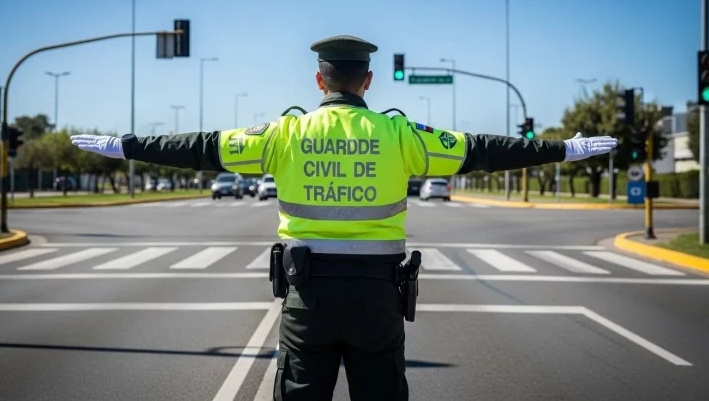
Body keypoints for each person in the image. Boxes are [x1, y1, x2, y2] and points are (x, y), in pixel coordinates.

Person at [71, 34, 617, 400]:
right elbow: (482, 150)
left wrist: (127, 144)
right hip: (378, 298)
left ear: (319, 82)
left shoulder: (284, 134)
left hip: (307, 296)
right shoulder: (400, 135)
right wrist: (562, 150)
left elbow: (202, 146)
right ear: (368, 82)